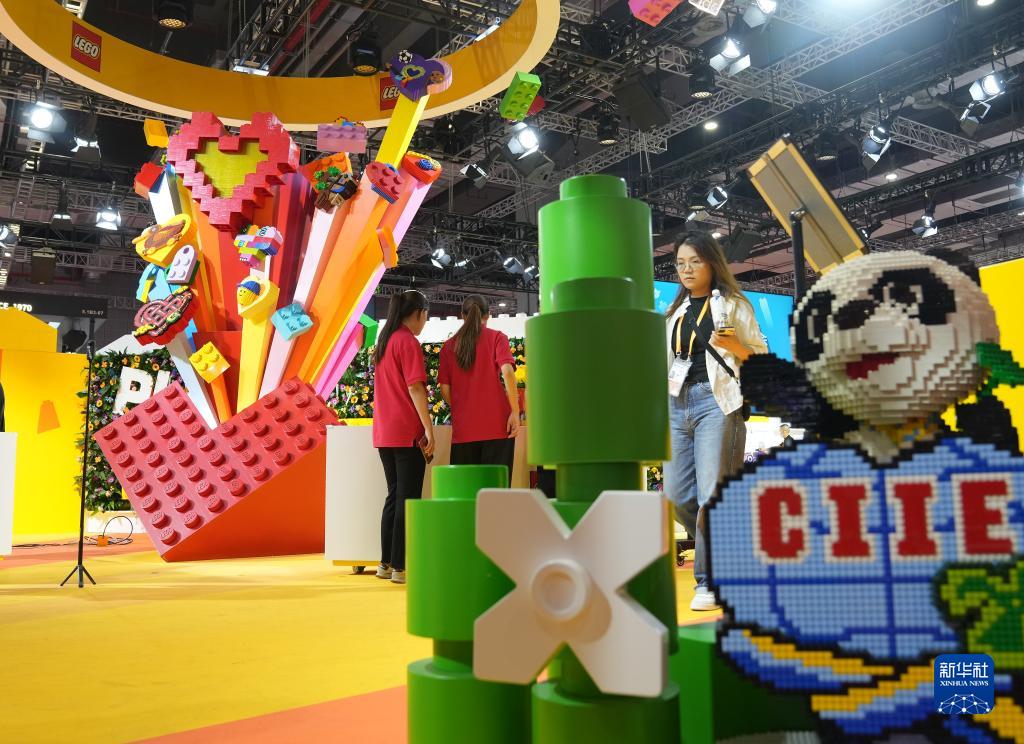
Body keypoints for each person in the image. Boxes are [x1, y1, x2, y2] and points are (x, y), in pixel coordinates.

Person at [663, 232, 767, 611]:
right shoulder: (673, 313)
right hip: (676, 403)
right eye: (681, 263)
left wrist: (734, 346)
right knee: (676, 497)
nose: (687, 270)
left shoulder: (734, 305)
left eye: (695, 261)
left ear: (712, 263)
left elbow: (761, 357)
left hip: (717, 401)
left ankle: (708, 582)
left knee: (711, 496)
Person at [373, 290, 433, 586]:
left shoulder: (385, 341)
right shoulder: (407, 342)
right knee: (407, 498)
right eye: (426, 316)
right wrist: (429, 428)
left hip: (384, 432)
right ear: (419, 313)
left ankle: (386, 563)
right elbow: (416, 388)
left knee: (394, 496)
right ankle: (400, 565)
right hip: (407, 431)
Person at [438, 295, 520, 479]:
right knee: (496, 491)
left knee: (466, 492)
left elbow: (444, 388)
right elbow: (508, 372)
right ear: (488, 315)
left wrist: (463, 408)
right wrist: (515, 412)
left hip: (464, 431)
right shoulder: (497, 338)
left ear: (462, 315)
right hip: (498, 427)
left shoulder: (449, 346)